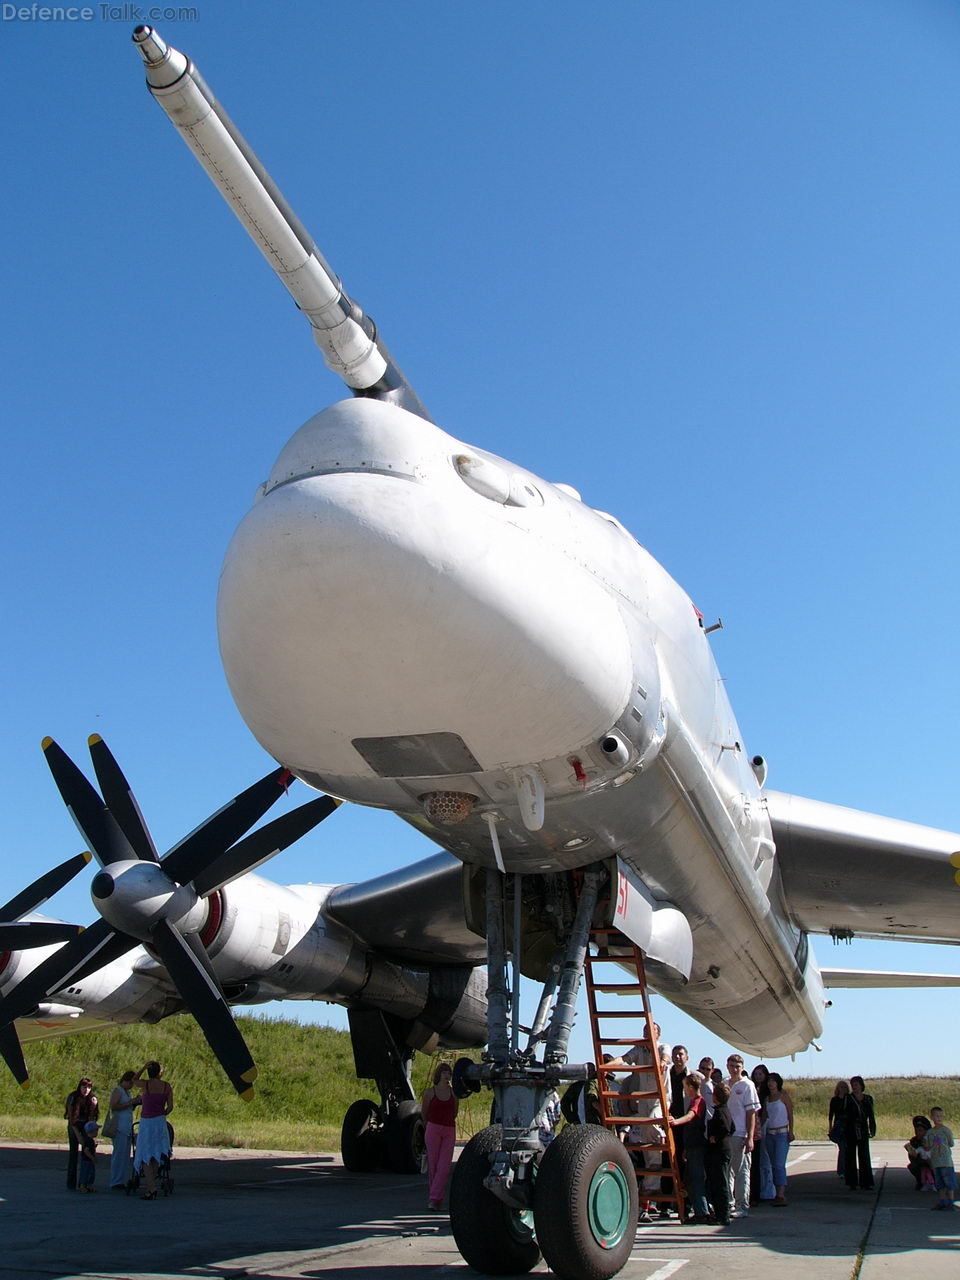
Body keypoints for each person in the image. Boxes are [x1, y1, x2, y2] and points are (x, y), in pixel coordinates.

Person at [668, 1071, 710, 1222]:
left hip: (697, 1145)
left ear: (691, 1087)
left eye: (685, 1086)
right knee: (691, 1179)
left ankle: (702, 1212)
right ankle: (700, 1210)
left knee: (696, 1178)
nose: (684, 1090)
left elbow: (691, 1115)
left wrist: (676, 1122)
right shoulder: (693, 1101)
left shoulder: (698, 1101)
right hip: (691, 1145)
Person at [725, 1053, 760, 1218]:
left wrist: (750, 1136)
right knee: (728, 1170)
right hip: (727, 1134)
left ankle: (742, 1205)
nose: (734, 1069)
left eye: (737, 1066)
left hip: (741, 1132)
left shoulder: (748, 1085)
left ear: (742, 1068)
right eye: (731, 1066)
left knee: (742, 1170)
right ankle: (730, 1202)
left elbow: (751, 1112)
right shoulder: (725, 1084)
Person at [421, 1062, 459, 1211]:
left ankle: (434, 1198)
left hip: (449, 1129)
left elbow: (455, 1112)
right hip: (433, 1129)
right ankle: (436, 1198)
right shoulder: (429, 1093)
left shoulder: (453, 1094)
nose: (447, 1075)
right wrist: (428, 1127)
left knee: (444, 1166)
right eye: (444, 1072)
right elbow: (424, 1112)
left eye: (449, 1072)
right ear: (438, 1074)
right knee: (433, 1165)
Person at [133, 1061, 174, 1199]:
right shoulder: (166, 1086)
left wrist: (143, 1067)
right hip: (159, 1121)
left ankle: (151, 1188)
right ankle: (153, 1184)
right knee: (157, 1153)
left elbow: (134, 1080)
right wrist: (162, 1114)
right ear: (159, 1073)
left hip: (147, 1123)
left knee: (144, 1155)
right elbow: (170, 1107)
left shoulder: (146, 1085)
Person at [704, 1080, 734, 1224]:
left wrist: (715, 1137)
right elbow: (733, 1128)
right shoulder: (725, 1110)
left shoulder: (721, 1112)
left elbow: (727, 1128)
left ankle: (723, 1216)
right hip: (725, 1149)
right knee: (720, 1181)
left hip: (720, 1151)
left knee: (720, 1183)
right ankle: (721, 1213)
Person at [107, 1069, 140, 1190]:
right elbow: (114, 1106)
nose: (132, 1086)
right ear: (126, 1080)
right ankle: (115, 1181)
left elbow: (128, 1108)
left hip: (127, 1127)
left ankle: (120, 1179)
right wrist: (130, 1102)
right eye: (131, 1083)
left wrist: (134, 1103)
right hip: (119, 1127)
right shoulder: (118, 1090)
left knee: (125, 1156)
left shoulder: (127, 1092)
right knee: (118, 1155)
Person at [764, 1072, 794, 1206]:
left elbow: (790, 1114)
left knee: (779, 1164)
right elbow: (764, 1116)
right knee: (772, 1164)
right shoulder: (766, 1099)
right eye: (769, 1081)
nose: (771, 1083)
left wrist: (791, 1131)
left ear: (778, 1083)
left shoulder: (783, 1096)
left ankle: (781, 1194)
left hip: (782, 1133)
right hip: (770, 1134)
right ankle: (775, 1191)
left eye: (773, 1081)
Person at [65, 1077, 98, 1191]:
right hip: (74, 1125)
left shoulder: (92, 1099)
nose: (86, 1090)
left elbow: (92, 1118)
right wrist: (78, 1135)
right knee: (73, 1154)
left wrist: (89, 1135)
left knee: (86, 1154)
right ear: (80, 1087)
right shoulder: (73, 1097)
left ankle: (84, 1182)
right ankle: (71, 1183)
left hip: (86, 1125)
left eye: (89, 1087)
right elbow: (71, 1119)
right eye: (84, 1087)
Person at [844, 1076, 876, 1191]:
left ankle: (866, 1182)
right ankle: (852, 1182)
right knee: (850, 1156)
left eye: (856, 1084)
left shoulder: (868, 1099)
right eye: (853, 1085)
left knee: (864, 1155)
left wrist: (872, 1129)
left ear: (861, 1085)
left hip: (862, 1129)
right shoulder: (848, 1098)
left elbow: (871, 1115)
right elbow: (845, 1114)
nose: (854, 1087)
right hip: (851, 1129)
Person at [749, 1062, 775, 1203]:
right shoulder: (751, 1087)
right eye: (756, 1074)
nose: (758, 1076)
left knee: (765, 1160)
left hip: (763, 1125)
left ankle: (767, 1190)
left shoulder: (767, 1091)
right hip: (754, 1125)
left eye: (761, 1074)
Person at [923, 1106, 956, 1210]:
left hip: (946, 1161)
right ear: (932, 1117)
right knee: (939, 1183)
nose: (939, 1118)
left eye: (941, 1116)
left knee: (949, 1182)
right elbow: (927, 1146)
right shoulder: (930, 1133)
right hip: (936, 1162)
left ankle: (950, 1202)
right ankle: (942, 1202)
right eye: (937, 1116)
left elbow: (951, 1143)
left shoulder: (946, 1131)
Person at [905, 1115, 934, 1190]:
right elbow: (912, 1158)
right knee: (912, 1166)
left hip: (934, 1163)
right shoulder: (914, 1141)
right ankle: (921, 1181)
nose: (917, 1133)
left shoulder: (932, 1140)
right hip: (922, 1163)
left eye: (920, 1130)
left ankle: (936, 1181)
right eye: (916, 1130)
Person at [828, 1080, 850, 1177]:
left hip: (848, 1125)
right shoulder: (834, 1100)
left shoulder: (849, 1099)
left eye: (844, 1087)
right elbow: (831, 1114)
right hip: (838, 1126)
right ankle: (841, 1171)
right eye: (841, 1087)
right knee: (842, 1148)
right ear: (838, 1089)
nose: (843, 1089)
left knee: (847, 1148)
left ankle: (847, 1169)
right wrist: (830, 1126)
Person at [78, 1121, 99, 1193]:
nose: (97, 1132)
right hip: (87, 1160)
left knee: (91, 1173)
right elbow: (86, 1151)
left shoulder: (88, 1140)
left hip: (88, 1160)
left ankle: (89, 1186)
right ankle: (83, 1186)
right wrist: (92, 1158)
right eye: (96, 1130)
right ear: (92, 1131)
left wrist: (93, 1147)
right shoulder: (89, 1140)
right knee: (86, 1173)